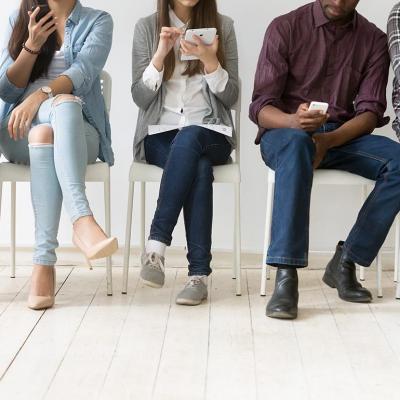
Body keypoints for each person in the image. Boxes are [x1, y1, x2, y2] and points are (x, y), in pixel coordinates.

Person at [250, 0, 398, 319]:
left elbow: (371, 111)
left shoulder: (372, 39)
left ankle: (347, 259)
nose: (338, 2)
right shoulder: (285, 27)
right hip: (285, 133)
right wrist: (294, 122)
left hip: (341, 136)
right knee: (296, 145)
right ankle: (286, 277)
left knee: (398, 162)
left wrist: (328, 141)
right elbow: (261, 106)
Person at [0, 0, 117, 310]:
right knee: (43, 127)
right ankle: (82, 222)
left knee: (61, 107)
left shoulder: (98, 21)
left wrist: (41, 95)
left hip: (80, 133)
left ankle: (43, 263)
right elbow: (7, 91)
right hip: (18, 131)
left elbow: (85, 73)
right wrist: (30, 46)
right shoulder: (19, 17)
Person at [131, 0, 238, 305]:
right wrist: (160, 55)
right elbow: (139, 97)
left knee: (192, 137)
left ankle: (155, 247)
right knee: (199, 168)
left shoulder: (224, 26)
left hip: (212, 132)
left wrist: (210, 62)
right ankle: (199, 276)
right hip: (160, 135)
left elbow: (233, 96)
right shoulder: (146, 27)